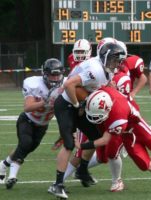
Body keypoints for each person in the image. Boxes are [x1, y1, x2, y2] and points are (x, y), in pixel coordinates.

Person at [75, 86, 151, 195]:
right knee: (144, 164)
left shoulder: (117, 118)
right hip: (127, 134)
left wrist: (82, 146)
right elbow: (108, 86)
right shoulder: (103, 92)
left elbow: (105, 140)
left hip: (138, 128)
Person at [47, 41, 126, 199]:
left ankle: (82, 169)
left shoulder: (107, 70)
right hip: (67, 104)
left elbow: (101, 86)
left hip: (80, 104)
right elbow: (69, 84)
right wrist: (78, 105)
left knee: (96, 137)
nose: (116, 64)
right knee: (69, 144)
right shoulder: (95, 69)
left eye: (118, 61)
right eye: (113, 60)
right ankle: (57, 184)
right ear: (104, 57)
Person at [0, 58, 65, 189]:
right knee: (25, 143)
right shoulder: (33, 83)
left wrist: (65, 132)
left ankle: (2, 166)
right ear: (45, 74)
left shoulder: (65, 85)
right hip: (27, 120)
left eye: (57, 74)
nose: (55, 78)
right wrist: (45, 101)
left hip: (42, 125)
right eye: (52, 74)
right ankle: (12, 176)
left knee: (25, 148)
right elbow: (27, 107)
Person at [52, 38, 92, 151]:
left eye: (82, 52)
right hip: (74, 89)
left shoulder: (91, 64)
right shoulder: (71, 58)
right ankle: (66, 135)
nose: (79, 55)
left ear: (89, 51)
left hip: (86, 91)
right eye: (77, 52)